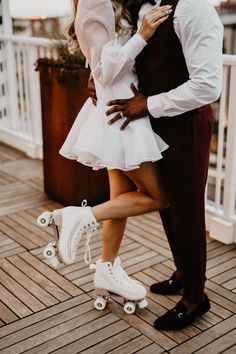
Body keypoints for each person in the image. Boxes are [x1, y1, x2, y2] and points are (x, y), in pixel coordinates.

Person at [37, 0, 172, 314]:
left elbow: (99, 59)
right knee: (158, 196)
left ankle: (105, 269)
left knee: (120, 198)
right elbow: (106, 69)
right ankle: (76, 218)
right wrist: (143, 34)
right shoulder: (95, 1)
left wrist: (95, 74)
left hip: (116, 107)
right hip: (121, 112)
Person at [100, 0, 223, 329]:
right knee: (167, 204)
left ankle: (196, 298)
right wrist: (100, 82)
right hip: (155, 122)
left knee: (187, 208)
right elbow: (144, 62)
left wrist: (148, 103)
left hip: (187, 126)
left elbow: (208, 85)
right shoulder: (145, 7)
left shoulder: (195, 8)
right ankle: (184, 273)